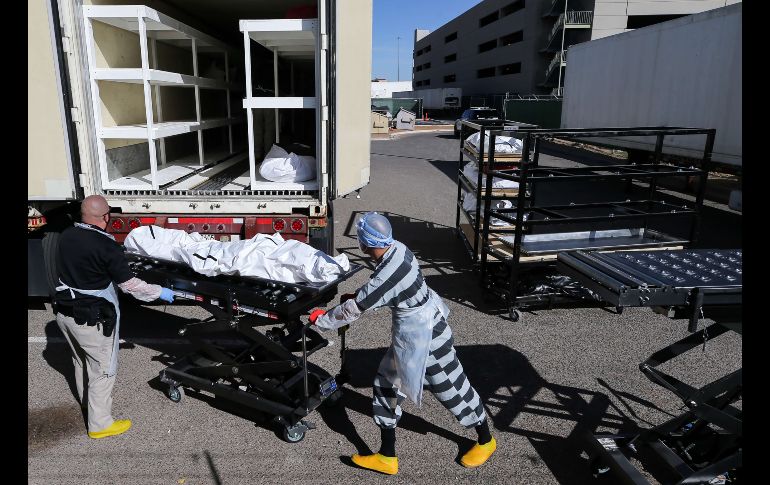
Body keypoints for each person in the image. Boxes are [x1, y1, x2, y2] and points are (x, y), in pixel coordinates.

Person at [309, 212, 496, 475]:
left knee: (451, 388)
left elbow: (357, 306)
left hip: (427, 336)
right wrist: (364, 296)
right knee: (385, 385)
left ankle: (486, 440)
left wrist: (322, 320)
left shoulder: (386, 275)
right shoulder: (399, 249)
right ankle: (387, 456)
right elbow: (382, 289)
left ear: (364, 243)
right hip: (414, 332)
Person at [53, 195, 175, 439]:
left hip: (65, 315)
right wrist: (159, 292)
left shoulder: (67, 235)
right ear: (105, 217)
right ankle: (100, 425)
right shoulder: (105, 246)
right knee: (103, 370)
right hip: (92, 319)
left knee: (81, 362)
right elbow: (130, 285)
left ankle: (89, 405)